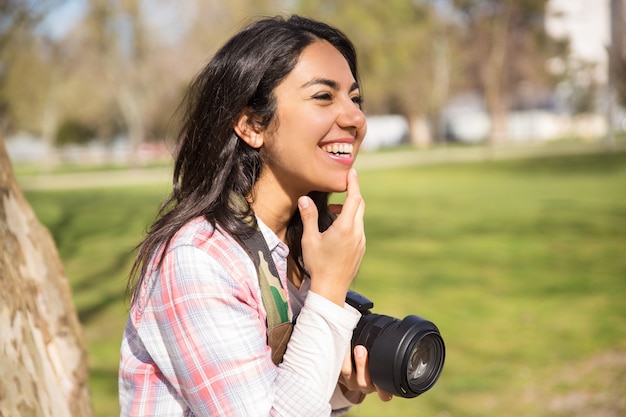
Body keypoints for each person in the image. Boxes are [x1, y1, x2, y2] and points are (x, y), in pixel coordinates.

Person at [119, 14, 392, 416]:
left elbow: (280, 395)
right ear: (251, 125)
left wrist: (343, 388)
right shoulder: (199, 258)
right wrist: (330, 289)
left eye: (355, 99)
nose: (354, 118)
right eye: (323, 96)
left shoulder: (296, 246)